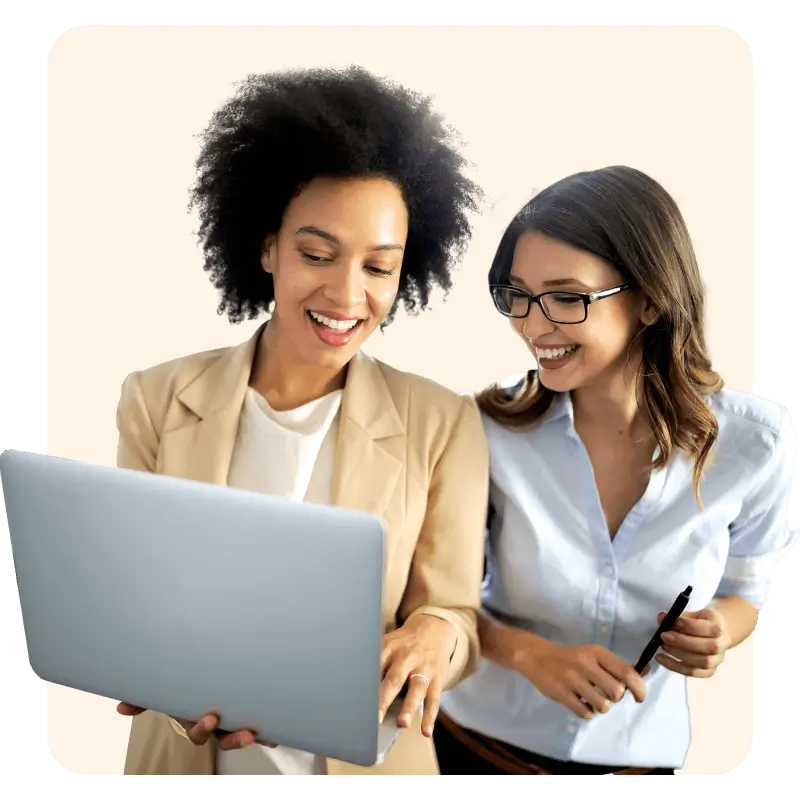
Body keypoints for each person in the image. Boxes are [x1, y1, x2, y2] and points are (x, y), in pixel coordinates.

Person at [113, 65, 489, 777]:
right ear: (266, 247)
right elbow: (140, 599)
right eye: (318, 254)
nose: (348, 294)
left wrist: (436, 633)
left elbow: (457, 617)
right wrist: (164, 684)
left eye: (380, 268)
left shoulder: (442, 422)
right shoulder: (157, 398)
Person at [434, 165, 795, 776]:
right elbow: (438, 598)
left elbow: (747, 591)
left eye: (567, 297)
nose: (532, 324)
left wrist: (720, 634)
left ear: (651, 298)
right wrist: (530, 655)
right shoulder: (487, 430)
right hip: (472, 748)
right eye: (517, 294)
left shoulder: (755, 444)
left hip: (637, 764)